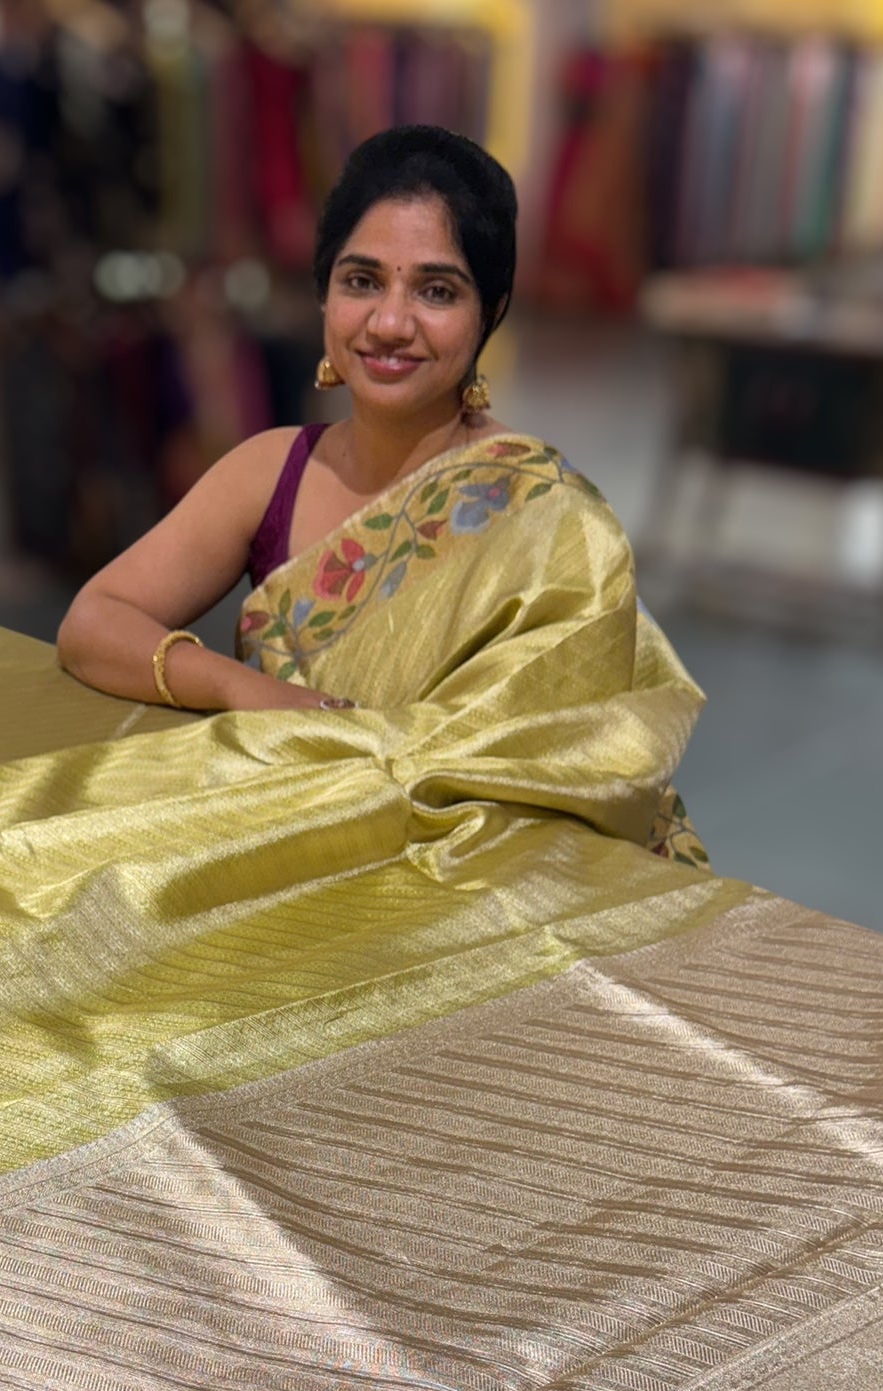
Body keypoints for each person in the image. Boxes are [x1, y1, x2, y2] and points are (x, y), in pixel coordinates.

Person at [56, 123, 707, 865]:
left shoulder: (550, 520)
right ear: (324, 296)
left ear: (491, 312)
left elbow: (580, 779)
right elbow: (93, 622)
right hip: (292, 852)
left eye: (436, 290)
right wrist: (242, 690)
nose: (390, 324)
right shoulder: (274, 471)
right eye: (361, 281)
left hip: (482, 884)